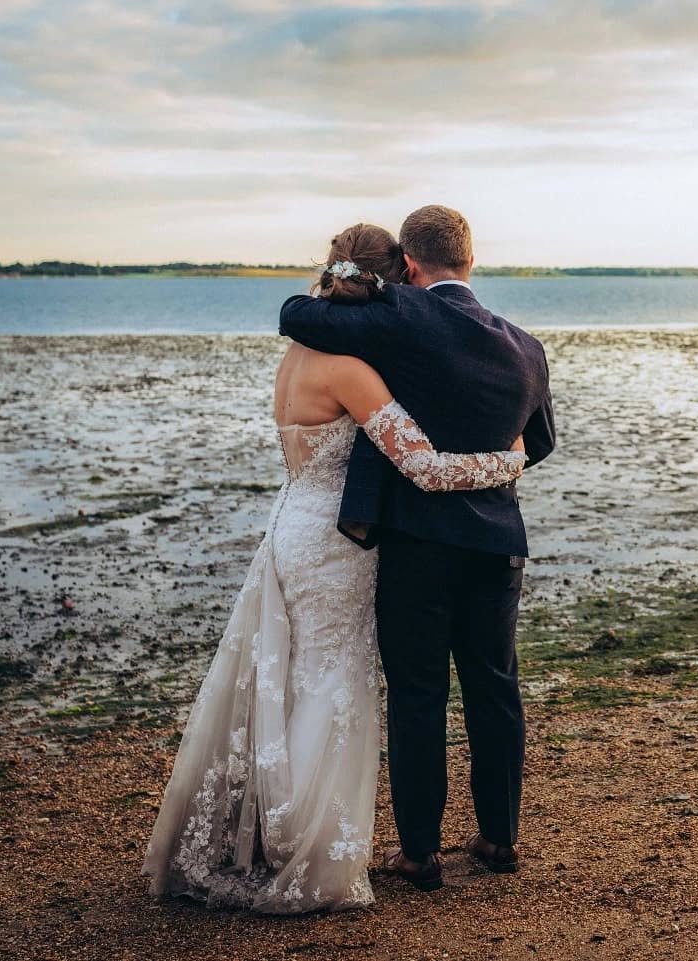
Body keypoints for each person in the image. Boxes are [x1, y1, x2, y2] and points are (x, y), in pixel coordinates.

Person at [141, 223, 527, 912]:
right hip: (336, 541)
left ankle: (286, 834)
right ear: (394, 280)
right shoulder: (352, 370)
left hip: (292, 523)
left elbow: (303, 321)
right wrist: (509, 460)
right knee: (329, 681)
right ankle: (307, 845)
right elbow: (421, 464)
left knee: (292, 678)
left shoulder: (296, 355)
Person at [279, 204, 555, 891]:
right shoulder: (526, 346)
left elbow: (298, 315)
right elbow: (540, 443)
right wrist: (500, 462)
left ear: (408, 264)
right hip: (497, 541)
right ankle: (499, 838)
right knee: (495, 687)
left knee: (418, 693)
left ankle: (421, 853)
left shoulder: (401, 312)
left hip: (419, 543)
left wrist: (366, 287)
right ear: (472, 259)